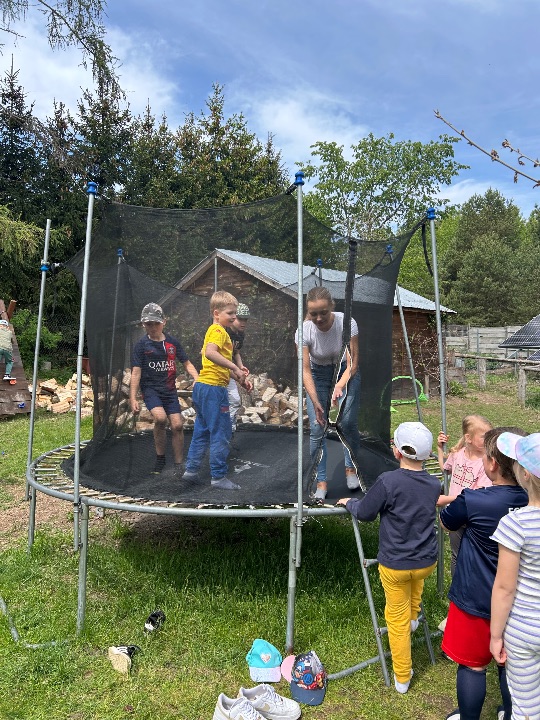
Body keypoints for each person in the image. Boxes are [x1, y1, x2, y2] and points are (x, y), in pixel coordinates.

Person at [337, 421, 440, 694]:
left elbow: (366, 512)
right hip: (426, 561)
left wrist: (350, 503)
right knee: (415, 583)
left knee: (396, 620)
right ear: (428, 455)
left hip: (395, 564)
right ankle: (414, 616)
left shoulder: (388, 481)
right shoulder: (434, 484)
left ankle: (402, 676)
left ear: (396, 451)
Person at [440, 427, 528, 720]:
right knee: (510, 665)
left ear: (491, 464)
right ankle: (510, 713)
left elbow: (447, 522)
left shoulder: (473, 499)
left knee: (472, 666)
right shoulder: (533, 502)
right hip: (519, 602)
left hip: (474, 598)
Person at [295, 286, 362, 500]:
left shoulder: (346, 323)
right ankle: (321, 481)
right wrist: (315, 401)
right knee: (317, 427)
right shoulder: (304, 330)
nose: (319, 318)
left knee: (347, 422)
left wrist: (340, 385)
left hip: (345, 370)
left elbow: (353, 363)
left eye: (323, 312)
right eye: (313, 313)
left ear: (331, 306)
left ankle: (351, 468)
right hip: (318, 374)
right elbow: (305, 370)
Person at [490, 431, 540, 720]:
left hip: (523, 630)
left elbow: (504, 587)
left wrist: (495, 635)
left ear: (524, 474)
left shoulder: (514, 524)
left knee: (525, 706)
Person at [182, 291, 252, 490]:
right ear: (216, 313)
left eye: (235, 313)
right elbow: (210, 353)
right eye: (230, 313)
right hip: (214, 390)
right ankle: (219, 476)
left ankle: (191, 470)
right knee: (221, 431)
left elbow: (217, 364)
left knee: (202, 430)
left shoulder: (217, 332)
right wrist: (235, 367)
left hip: (204, 387)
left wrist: (239, 377)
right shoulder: (218, 331)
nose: (234, 317)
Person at [130, 303, 199, 476]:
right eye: (149, 324)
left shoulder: (172, 343)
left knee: (177, 425)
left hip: (169, 390)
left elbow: (187, 363)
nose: (153, 327)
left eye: (156, 323)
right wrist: (133, 398)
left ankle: (178, 464)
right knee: (160, 418)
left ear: (164, 322)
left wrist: (197, 378)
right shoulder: (141, 345)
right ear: (143, 324)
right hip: (151, 390)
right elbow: (136, 372)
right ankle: (160, 458)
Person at [437, 414, 493, 576]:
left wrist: (447, 499)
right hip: (455, 514)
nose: (488, 440)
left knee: (472, 555)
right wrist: (440, 449)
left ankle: (472, 583)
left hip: (472, 516)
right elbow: (445, 468)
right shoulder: (458, 454)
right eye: (484, 437)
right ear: (468, 438)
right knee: (456, 554)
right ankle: (457, 586)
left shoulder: (485, 462)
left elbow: (478, 494)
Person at [226, 302, 250, 433]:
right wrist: (238, 375)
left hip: (229, 371)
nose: (243, 323)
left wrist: (241, 366)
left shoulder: (240, 334)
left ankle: (230, 429)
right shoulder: (224, 331)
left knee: (235, 400)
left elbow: (236, 352)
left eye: (245, 320)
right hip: (218, 372)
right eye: (240, 319)